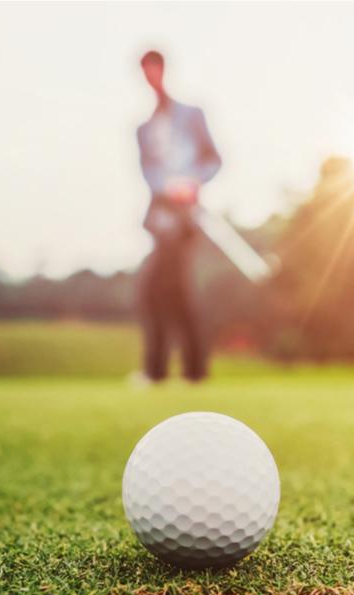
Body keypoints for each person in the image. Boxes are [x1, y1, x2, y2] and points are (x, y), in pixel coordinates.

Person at [135, 49, 221, 383]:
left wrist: (193, 182)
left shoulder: (192, 115)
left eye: (154, 70)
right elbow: (149, 172)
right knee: (169, 291)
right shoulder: (143, 129)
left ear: (163, 70)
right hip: (161, 215)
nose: (150, 77)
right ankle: (192, 370)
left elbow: (214, 159)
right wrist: (167, 188)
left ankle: (163, 372)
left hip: (187, 217)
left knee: (158, 290)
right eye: (145, 72)